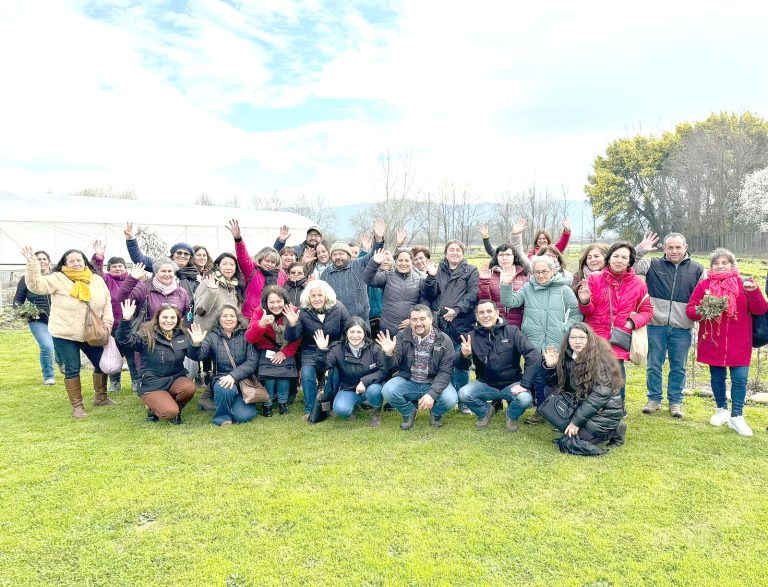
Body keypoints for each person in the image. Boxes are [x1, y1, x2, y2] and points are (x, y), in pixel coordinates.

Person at [22, 246, 115, 418]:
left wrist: (108, 323)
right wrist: (32, 264)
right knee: (72, 368)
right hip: (65, 334)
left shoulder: (96, 280)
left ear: (84, 262)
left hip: (92, 332)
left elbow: (107, 302)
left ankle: (101, 398)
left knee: (102, 364)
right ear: (64, 264)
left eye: (79, 260)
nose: (76, 263)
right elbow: (36, 286)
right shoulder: (58, 278)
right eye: (71, 261)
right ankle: (77, 406)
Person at [686, 248, 768, 436]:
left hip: (740, 341)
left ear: (732, 265)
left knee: (740, 379)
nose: (720, 266)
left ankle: (737, 416)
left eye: (725, 263)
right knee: (717, 377)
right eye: (716, 263)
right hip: (714, 341)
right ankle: (721, 409)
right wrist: (704, 310)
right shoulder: (704, 286)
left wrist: (754, 292)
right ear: (711, 266)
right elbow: (690, 310)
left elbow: (760, 309)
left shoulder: (744, 284)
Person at [500, 254, 583, 419]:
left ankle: (561, 410)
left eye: (544, 271)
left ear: (552, 271)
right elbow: (510, 302)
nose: (541, 275)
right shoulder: (528, 288)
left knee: (559, 378)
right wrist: (506, 284)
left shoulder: (564, 290)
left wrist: (564, 329)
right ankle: (541, 410)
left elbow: (576, 313)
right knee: (538, 379)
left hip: (556, 343)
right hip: (534, 343)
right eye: (537, 272)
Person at [634, 232, 705, 419]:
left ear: (685, 247)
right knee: (653, 365)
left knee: (678, 367)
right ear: (664, 248)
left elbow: (705, 294)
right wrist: (640, 249)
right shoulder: (652, 264)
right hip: (655, 325)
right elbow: (628, 266)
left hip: (682, 327)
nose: (674, 251)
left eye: (678, 247)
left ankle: (675, 402)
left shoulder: (698, 269)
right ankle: (654, 399)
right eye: (670, 247)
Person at [577, 242, 654, 403]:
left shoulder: (638, 284)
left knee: (616, 371)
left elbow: (647, 311)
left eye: (624, 257)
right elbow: (587, 311)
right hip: (596, 336)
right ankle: (592, 407)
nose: (619, 260)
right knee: (592, 373)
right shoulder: (594, 279)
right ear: (609, 258)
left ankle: (618, 407)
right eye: (616, 256)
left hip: (619, 336)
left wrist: (631, 323)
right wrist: (584, 301)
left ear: (630, 261)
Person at [541, 323, 627, 455]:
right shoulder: (568, 355)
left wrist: (575, 422)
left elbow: (599, 397)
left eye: (582, 337)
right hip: (582, 406)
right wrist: (551, 367)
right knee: (568, 436)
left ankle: (614, 431)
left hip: (604, 411)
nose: (577, 341)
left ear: (589, 339)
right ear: (568, 340)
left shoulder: (601, 359)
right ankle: (597, 431)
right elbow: (555, 385)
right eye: (573, 337)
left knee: (569, 443)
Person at [456, 300, 541, 431]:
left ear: (497, 313)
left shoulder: (512, 331)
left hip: (511, 384)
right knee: (463, 394)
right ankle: (486, 412)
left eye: (489, 311)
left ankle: (511, 416)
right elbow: (460, 366)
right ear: (477, 316)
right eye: (481, 312)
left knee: (525, 399)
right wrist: (464, 355)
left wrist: (524, 384)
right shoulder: (470, 337)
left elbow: (533, 356)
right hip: (486, 384)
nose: (486, 315)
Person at [117, 301, 197, 423]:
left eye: (172, 317)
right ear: (158, 318)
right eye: (165, 317)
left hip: (175, 379)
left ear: (178, 320)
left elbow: (196, 356)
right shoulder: (146, 334)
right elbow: (125, 342)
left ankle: (174, 408)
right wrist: (125, 320)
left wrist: (196, 344)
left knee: (189, 388)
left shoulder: (183, 335)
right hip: (152, 382)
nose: (169, 321)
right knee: (170, 412)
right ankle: (153, 408)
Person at [380, 304, 458, 429]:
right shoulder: (402, 336)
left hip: (432, 381)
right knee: (387, 390)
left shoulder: (444, 340)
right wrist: (389, 354)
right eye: (414, 320)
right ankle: (409, 412)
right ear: (409, 321)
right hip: (410, 380)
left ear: (431, 320)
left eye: (422, 319)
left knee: (450, 399)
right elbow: (392, 365)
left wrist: (432, 394)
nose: (418, 323)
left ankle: (436, 413)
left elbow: (445, 372)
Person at [284, 280, 350, 419]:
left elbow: (347, 332)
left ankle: (330, 406)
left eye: (320, 295)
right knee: (307, 374)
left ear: (326, 296)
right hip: (311, 350)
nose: (316, 299)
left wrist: (338, 350)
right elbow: (292, 337)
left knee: (334, 374)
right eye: (313, 296)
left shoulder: (339, 308)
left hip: (333, 349)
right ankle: (311, 409)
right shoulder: (303, 312)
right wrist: (292, 324)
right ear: (308, 297)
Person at [188, 305, 260, 426]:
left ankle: (217, 402)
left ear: (238, 319)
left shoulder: (247, 335)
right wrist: (196, 344)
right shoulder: (212, 336)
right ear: (219, 319)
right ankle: (222, 418)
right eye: (224, 316)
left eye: (232, 316)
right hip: (221, 378)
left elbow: (252, 362)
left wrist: (233, 376)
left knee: (243, 416)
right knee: (225, 388)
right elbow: (199, 356)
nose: (228, 319)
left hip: (244, 380)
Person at [313, 317, 390, 426]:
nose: (355, 335)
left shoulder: (375, 349)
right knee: (340, 409)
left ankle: (376, 412)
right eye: (352, 332)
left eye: (359, 332)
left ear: (365, 333)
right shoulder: (337, 349)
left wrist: (365, 382)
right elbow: (323, 367)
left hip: (370, 387)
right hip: (348, 388)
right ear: (346, 333)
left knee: (375, 391)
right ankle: (355, 406)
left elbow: (383, 371)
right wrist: (321, 350)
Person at [193, 252, 244, 411]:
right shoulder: (208, 282)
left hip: (226, 331)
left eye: (232, 264)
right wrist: (212, 292)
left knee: (222, 365)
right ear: (217, 266)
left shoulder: (234, 285)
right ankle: (209, 397)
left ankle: (215, 396)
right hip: (209, 332)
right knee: (215, 366)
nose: (228, 267)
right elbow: (200, 310)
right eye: (225, 264)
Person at [434, 240, 479, 408]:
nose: (454, 252)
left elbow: (473, 294)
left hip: (462, 324)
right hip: (440, 324)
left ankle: (463, 401)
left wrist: (457, 310)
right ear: (446, 253)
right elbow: (431, 294)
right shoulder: (438, 270)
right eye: (451, 250)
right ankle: (443, 397)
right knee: (441, 362)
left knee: (461, 363)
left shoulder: (471, 270)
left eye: (458, 250)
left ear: (462, 253)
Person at [246, 286, 301, 416]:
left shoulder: (293, 311)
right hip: (265, 350)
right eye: (271, 302)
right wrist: (261, 324)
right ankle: (267, 404)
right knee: (269, 377)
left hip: (286, 350)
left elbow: (298, 338)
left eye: (279, 301)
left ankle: (283, 403)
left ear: (285, 301)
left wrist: (285, 352)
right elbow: (250, 338)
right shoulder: (260, 312)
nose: (276, 305)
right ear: (266, 302)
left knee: (284, 376)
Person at [90, 241, 137, 392]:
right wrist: (99, 257)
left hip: (130, 325)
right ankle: (115, 383)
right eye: (114, 267)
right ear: (109, 269)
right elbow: (96, 271)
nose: (117, 268)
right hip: (112, 326)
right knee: (113, 353)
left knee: (132, 356)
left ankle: (136, 382)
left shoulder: (132, 279)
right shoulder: (105, 280)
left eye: (120, 266)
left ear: (125, 267)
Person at [363, 248, 438, 338]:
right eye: (400, 260)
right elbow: (368, 279)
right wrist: (374, 263)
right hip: (388, 329)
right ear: (395, 261)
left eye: (407, 260)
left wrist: (412, 320)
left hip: (411, 329)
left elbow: (425, 301)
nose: (403, 263)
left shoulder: (419, 280)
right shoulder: (387, 276)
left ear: (412, 262)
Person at [123, 222, 199, 310]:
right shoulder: (160, 264)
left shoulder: (194, 275)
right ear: (173, 255)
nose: (182, 256)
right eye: (179, 253)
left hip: (182, 314)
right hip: (157, 311)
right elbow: (139, 259)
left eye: (186, 254)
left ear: (190, 257)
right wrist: (131, 240)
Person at [321, 219, 385, 321]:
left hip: (360, 319)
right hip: (336, 320)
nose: (337, 257)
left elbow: (375, 255)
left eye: (341, 253)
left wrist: (378, 240)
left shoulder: (359, 264)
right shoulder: (326, 273)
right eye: (334, 254)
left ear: (349, 255)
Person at [14, 249, 62, 385]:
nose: (42, 261)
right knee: (47, 346)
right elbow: (17, 300)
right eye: (38, 259)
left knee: (60, 345)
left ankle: (61, 361)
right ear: (33, 262)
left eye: (44, 259)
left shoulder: (56, 277)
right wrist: (23, 311)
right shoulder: (26, 279)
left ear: (49, 261)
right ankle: (49, 376)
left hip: (58, 318)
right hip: (37, 320)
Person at [226, 219, 287, 320]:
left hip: (274, 318)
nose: (269, 264)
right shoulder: (252, 270)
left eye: (273, 262)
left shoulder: (281, 274)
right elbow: (243, 257)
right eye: (267, 261)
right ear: (260, 259)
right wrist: (238, 239)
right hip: (250, 317)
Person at [115, 259, 191, 322]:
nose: (167, 274)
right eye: (163, 271)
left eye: (170, 271)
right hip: (148, 333)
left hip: (174, 334)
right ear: (156, 273)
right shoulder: (145, 288)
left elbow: (188, 315)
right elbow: (122, 300)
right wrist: (132, 279)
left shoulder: (181, 292)